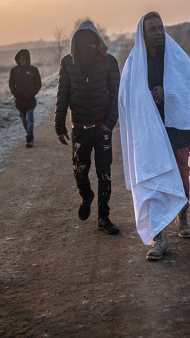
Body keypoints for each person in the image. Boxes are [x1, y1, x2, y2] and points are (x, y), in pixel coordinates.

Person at [119, 12, 190, 260]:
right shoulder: (134, 63)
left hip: (177, 125)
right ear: (143, 34)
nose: (158, 33)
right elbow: (126, 98)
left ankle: (182, 216)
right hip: (149, 131)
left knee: (182, 176)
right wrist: (146, 100)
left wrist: (168, 93)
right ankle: (159, 238)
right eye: (152, 29)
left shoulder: (176, 57)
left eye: (160, 27)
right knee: (154, 180)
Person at [55, 21, 121, 235]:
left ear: (97, 42)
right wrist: (59, 125)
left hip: (102, 130)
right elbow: (62, 94)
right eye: (82, 41)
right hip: (79, 129)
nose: (87, 46)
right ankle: (86, 196)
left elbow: (116, 96)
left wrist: (109, 124)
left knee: (104, 175)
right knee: (80, 171)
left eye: (90, 41)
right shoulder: (67, 63)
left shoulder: (109, 62)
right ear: (75, 43)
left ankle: (103, 217)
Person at [9, 49, 42, 147]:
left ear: (27, 59)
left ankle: (29, 139)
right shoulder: (14, 71)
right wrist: (15, 94)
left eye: (24, 59)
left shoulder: (33, 70)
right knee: (24, 120)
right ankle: (29, 133)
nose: (22, 60)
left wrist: (32, 93)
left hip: (30, 100)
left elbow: (38, 84)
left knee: (29, 119)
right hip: (19, 101)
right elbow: (11, 84)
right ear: (18, 60)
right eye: (20, 59)